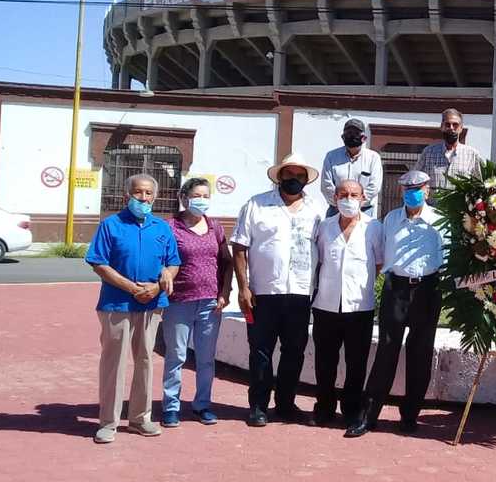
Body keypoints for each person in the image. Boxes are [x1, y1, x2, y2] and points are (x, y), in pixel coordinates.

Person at [347, 171, 444, 437]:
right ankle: (368, 416)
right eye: (407, 188)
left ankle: (410, 416)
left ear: (428, 190)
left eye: (418, 187)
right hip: (396, 289)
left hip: (427, 289)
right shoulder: (390, 219)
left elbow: (446, 258)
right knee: (386, 352)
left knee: (420, 353)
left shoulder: (439, 221)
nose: (412, 191)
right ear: (401, 191)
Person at [231, 153, 326, 427]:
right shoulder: (256, 205)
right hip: (263, 293)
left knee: (294, 351)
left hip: (300, 293)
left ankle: (285, 404)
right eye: (289, 175)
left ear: (306, 180)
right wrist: (243, 287)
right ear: (279, 177)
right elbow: (239, 247)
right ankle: (258, 406)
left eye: (299, 176)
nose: (293, 180)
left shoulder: (316, 209)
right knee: (260, 351)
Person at [85, 173, 180, 444]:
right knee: (114, 363)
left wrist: (159, 285)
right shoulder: (110, 225)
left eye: (149, 193)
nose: (144, 198)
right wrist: (132, 288)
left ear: (156, 196)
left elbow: (173, 263)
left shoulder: (162, 228)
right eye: (138, 193)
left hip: (152, 305)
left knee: (145, 361)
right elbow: (99, 263)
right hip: (117, 304)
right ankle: (108, 422)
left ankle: (140, 418)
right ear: (128, 195)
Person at [310, 179, 383, 429]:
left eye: (354, 195)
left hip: (359, 307)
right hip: (326, 305)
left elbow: (379, 263)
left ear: (363, 199)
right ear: (335, 198)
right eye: (343, 194)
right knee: (325, 361)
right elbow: (318, 261)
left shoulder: (374, 227)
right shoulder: (324, 227)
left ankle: (351, 409)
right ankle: (324, 407)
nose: (348, 199)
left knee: (356, 362)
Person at [161, 177, 233, 427]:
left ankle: (202, 404)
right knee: (176, 356)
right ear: (184, 198)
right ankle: (171, 406)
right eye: (197, 196)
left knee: (205, 358)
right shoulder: (170, 226)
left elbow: (226, 262)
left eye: (206, 196)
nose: (202, 200)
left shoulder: (215, 227)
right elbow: (161, 260)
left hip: (210, 303)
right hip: (178, 302)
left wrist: (225, 292)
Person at [320, 117, 383, 218]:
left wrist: (354, 205)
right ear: (343, 137)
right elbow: (326, 185)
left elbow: (374, 187)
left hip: (363, 210)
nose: (352, 136)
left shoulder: (373, 158)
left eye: (356, 133)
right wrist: (342, 205)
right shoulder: (331, 156)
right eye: (348, 133)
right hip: (336, 210)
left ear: (364, 138)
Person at [413, 108, 482, 198]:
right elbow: (414, 180)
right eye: (447, 124)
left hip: (460, 210)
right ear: (442, 127)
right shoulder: (428, 152)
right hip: (432, 210)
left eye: (455, 125)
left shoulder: (472, 155)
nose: (451, 128)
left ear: (461, 128)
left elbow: (480, 184)